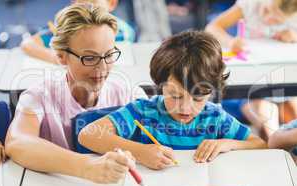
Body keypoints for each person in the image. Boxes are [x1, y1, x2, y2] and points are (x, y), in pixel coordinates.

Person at [78, 31, 267, 170]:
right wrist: (140, 151)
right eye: (175, 96)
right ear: (160, 86)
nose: (186, 107)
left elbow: (259, 144)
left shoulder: (214, 117)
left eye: (198, 97)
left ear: (211, 92)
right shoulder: (144, 112)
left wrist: (227, 143)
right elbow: (87, 135)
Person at [6, 4, 147, 184]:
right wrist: (87, 166)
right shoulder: (38, 96)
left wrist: (196, 137)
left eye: (109, 55)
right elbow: (17, 141)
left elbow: (167, 125)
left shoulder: (129, 93)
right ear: (61, 56)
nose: (102, 68)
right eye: (89, 58)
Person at [206, 0, 297, 141]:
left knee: (292, 121)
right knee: (269, 129)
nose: (268, 18)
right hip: (252, 87)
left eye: (277, 19)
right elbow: (212, 27)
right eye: (267, 10)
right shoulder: (249, 4)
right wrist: (230, 42)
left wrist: (294, 36)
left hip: (283, 82)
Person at [20, 0, 135, 64]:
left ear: (112, 3)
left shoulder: (124, 32)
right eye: (81, 2)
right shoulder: (66, 28)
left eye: (93, 2)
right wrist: (54, 57)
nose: (87, 8)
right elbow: (28, 44)